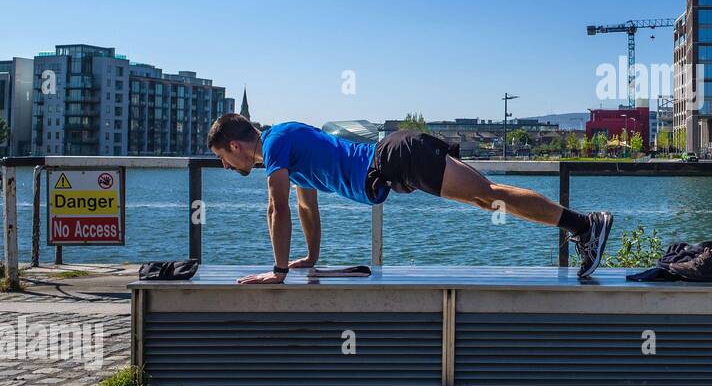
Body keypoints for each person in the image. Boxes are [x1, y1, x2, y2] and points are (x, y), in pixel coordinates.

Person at [206, 114, 612, 282]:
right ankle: (584, 226)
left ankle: (585, 225)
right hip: (397, 160)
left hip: (396, 158)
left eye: (221, 157)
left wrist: (277, 270)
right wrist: (309, 258)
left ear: (235, 146)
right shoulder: (287, 151)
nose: (224, 166)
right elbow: (303, 205)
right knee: (485, 198)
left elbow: (276, 206)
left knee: (488, 197)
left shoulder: (277, 142)